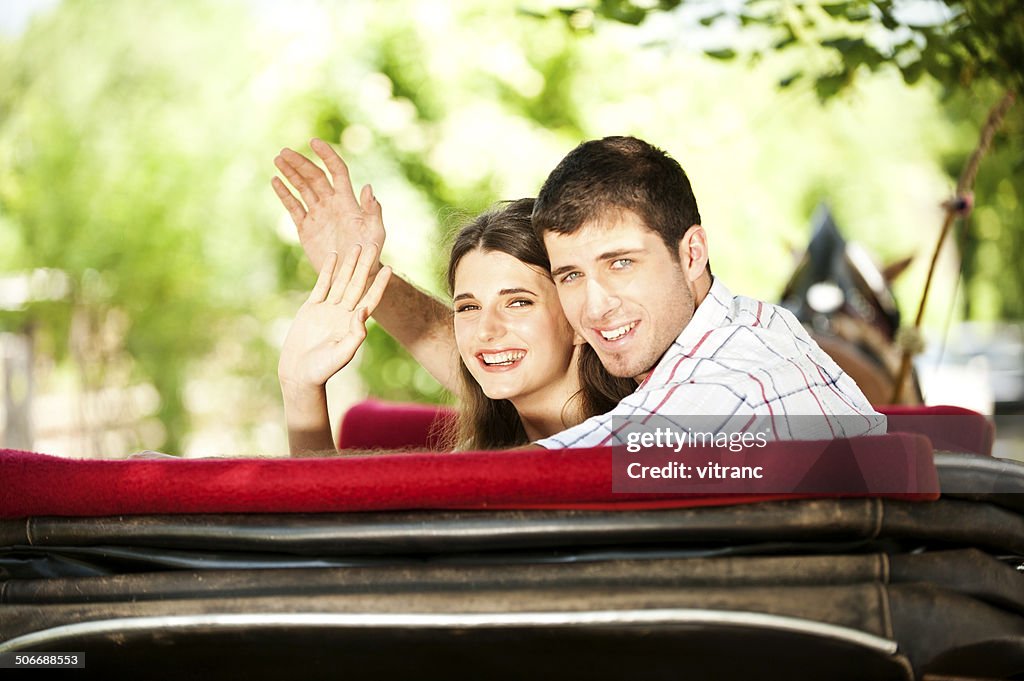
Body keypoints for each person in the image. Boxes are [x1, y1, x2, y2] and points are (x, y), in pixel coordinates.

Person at [273, 136, 883, 450]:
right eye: (570, 277)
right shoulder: (738, 333)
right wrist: (356, 271)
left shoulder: (716, 394)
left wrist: (303, 395)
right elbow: (479, 348)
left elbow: (512, 478)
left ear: (691, 252)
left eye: (621, 263)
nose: (594, 306)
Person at [276, 197, 633, 455]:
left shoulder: (646, 439)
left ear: (578, 320)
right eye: (468, 306)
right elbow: (341, 539)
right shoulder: (475, 455)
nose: (485, 330)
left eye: (518, 302)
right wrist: (299, 388)